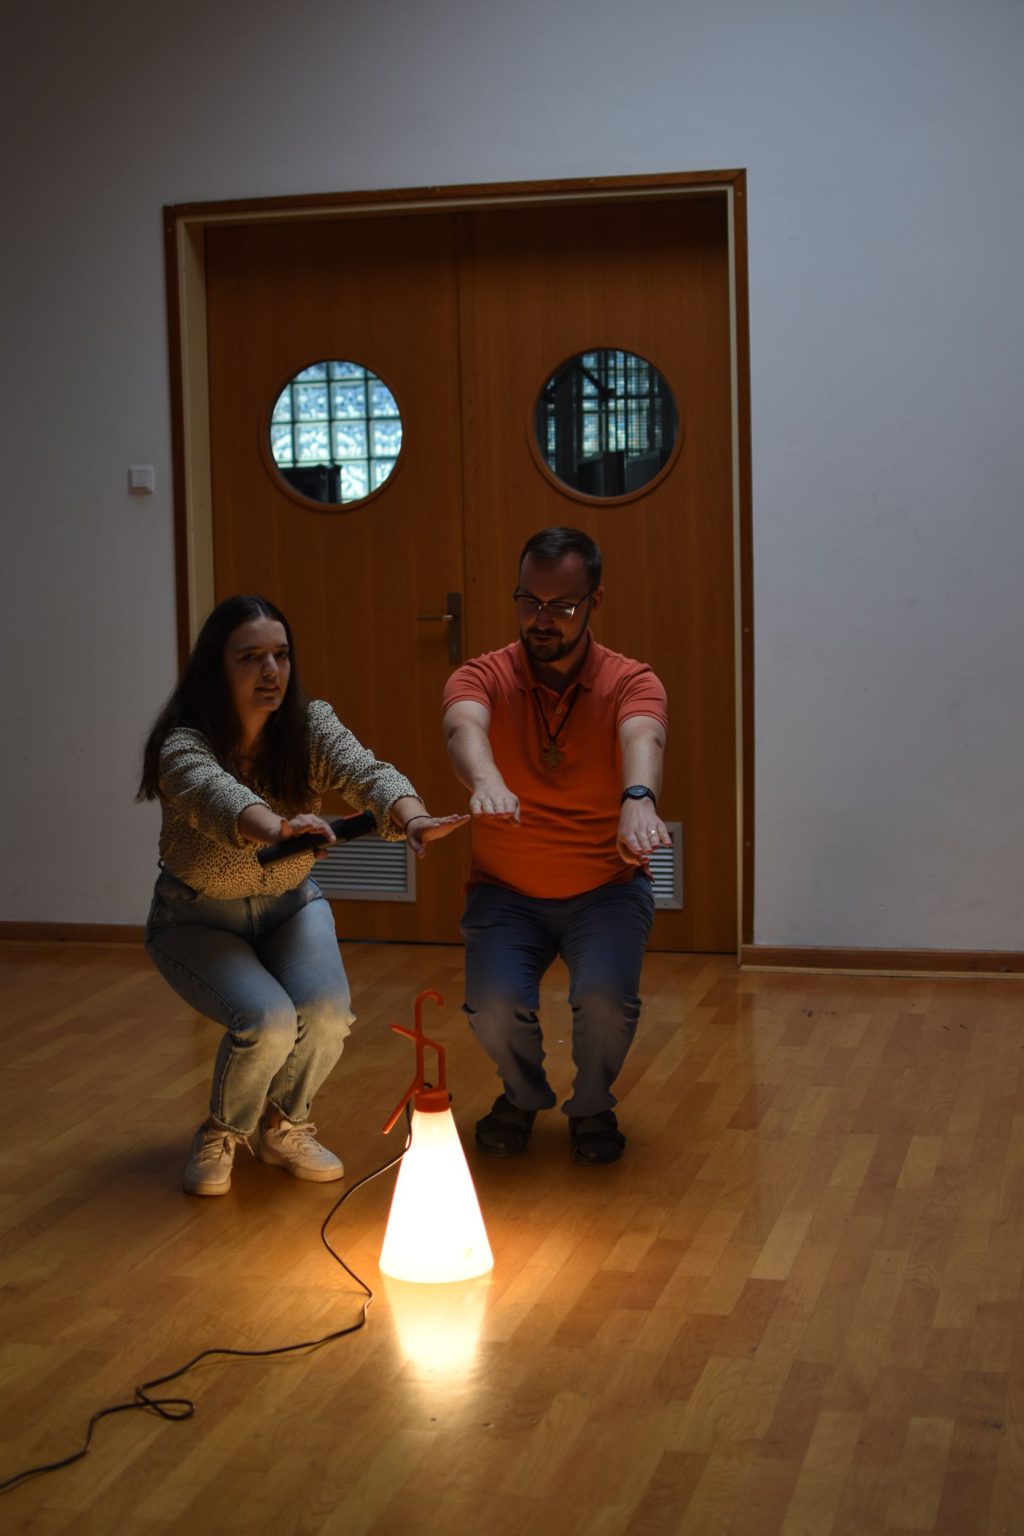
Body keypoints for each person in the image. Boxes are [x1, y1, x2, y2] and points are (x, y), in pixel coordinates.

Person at [137, 594, 466, 1197]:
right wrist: (279, 829)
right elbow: (219, 797)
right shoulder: (182, 744)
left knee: (326, 1014)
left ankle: (283, 1126)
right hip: (195, 918)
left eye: (281, 655)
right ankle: (223, 1131)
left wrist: (414, 818)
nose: (271, 671)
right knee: (267, 1021)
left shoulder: (311, 724)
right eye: (250, 658)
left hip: (290, 907)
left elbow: (368, 772)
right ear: (216, 667)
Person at [442, 527, 670, 1166]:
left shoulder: (632, 679)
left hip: (606, 889)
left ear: (595, 601)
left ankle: (592, 1105)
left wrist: (638, 798)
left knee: (604, 1003)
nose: (541, 620)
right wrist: (486, 780)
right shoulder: (482, 674)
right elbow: (463, 726)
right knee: (493, 1007)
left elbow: (644, 736)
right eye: (529, 601)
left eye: (561, 606)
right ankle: (522, 1095)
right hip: (506, 892)